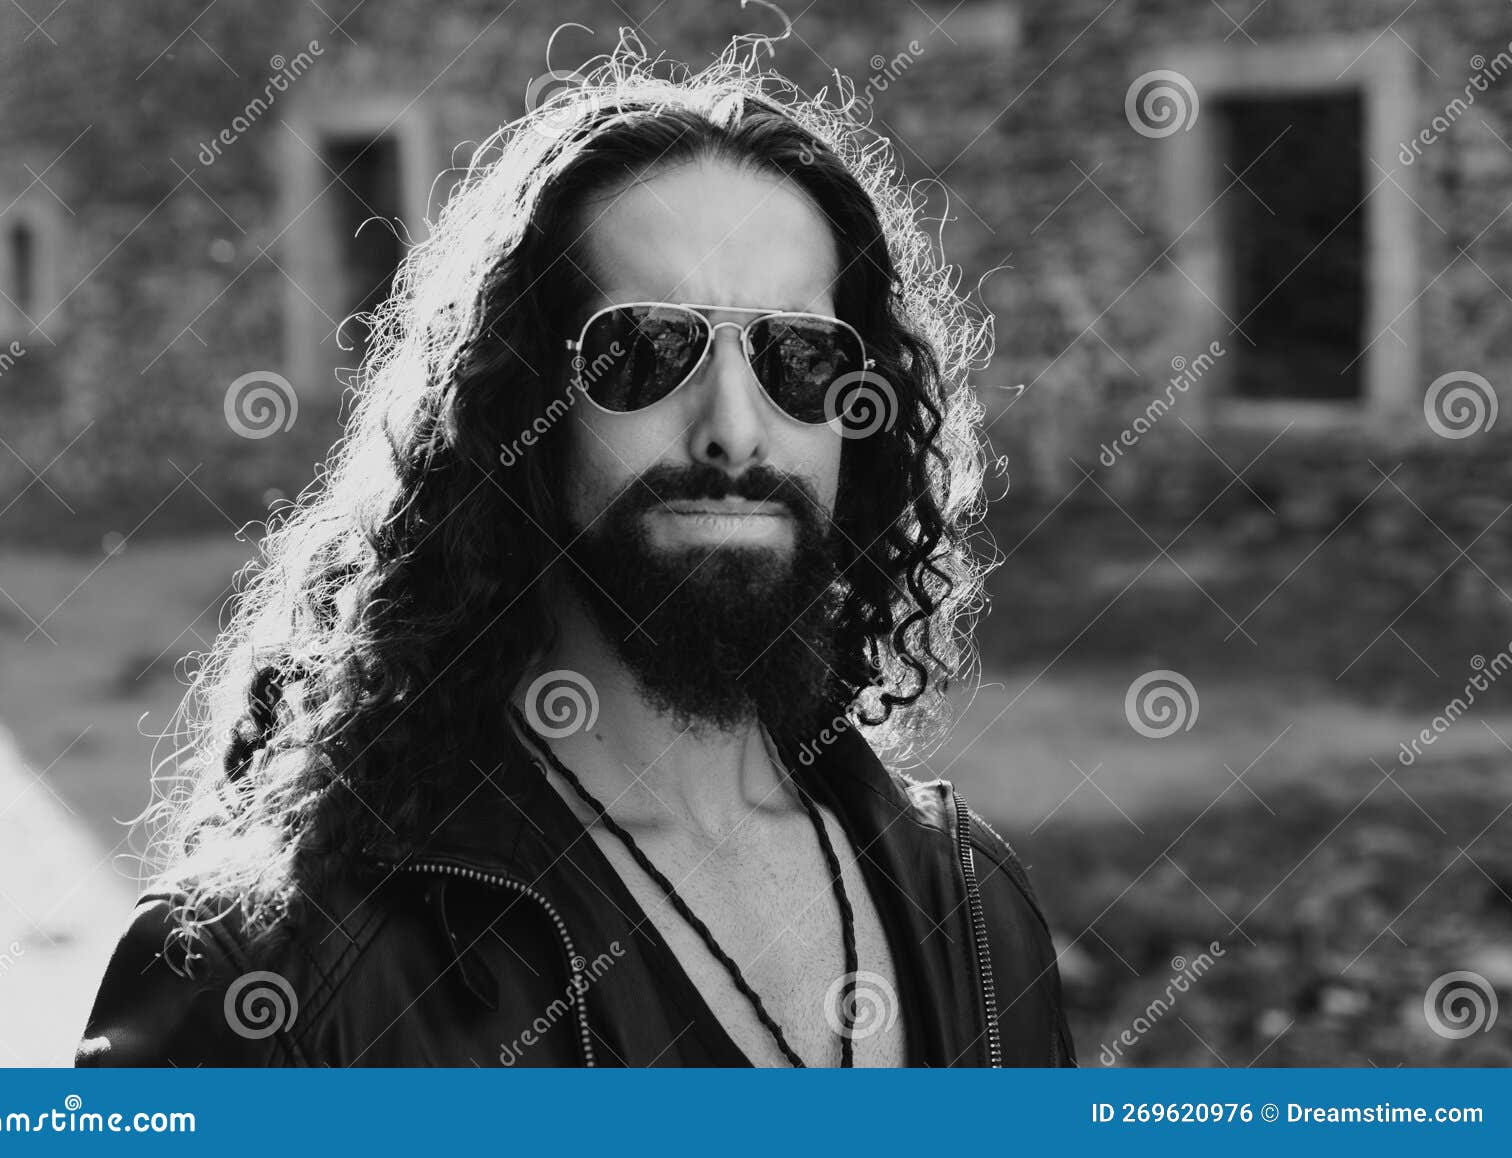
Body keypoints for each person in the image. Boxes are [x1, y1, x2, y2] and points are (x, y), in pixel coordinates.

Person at [74, 40, 1075, 1068]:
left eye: (798, 357)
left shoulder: (978, 919)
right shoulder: (279, 975)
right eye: (644, 349)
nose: (734, 430)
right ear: (518, 411)